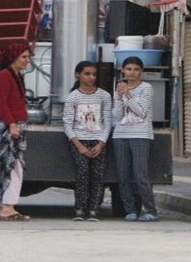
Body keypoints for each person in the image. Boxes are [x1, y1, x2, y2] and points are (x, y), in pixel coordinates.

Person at [63, 61, 112, 222]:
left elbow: (107, 122)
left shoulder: (104, 96)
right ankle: (80, 208)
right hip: (79, 140)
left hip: (98, 140)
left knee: (98, 175)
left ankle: (94, 209)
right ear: (78, 75)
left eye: (94, 74)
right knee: (82, 173)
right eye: (87, 74)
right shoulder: (73, 97)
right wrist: (79, 145)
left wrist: (101, 143)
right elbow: (68, 124)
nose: (91, 77)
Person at [112, 56, 158, 222]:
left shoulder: (146, 88)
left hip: (140, 134)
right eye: (129, 69)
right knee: (123, 175)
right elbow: (116, 115)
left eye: (136, 69)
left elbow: (142, 112)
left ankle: (151, 210)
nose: (132, 73)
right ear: (123, 70)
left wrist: (128, 95)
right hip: (120, 134)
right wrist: (118, 97)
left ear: (141, 71)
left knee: (140, 174)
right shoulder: (119, 88)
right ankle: (130, 209)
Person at [0, 43, 31, 221]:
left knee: (14, 165)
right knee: (10, 165)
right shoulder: (4, 76)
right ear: (13, 57)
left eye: (28, 57)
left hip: (15, 124)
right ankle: (7, 207)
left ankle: (7, 205)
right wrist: (12, 124)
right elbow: (1, 103)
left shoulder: (16, 76)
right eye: (24, 57)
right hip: (7, 126)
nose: (27, 61)